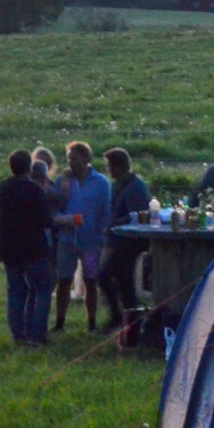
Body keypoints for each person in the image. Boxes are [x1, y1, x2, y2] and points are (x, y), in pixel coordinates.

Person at [0, 149, 54, 346]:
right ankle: (37, 334)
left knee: (16, 290)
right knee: (43, 288)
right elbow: (45, 220)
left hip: (8, 249)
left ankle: (18, 335)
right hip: (33, 249)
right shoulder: (34, 190)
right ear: (29, 167)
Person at [55, 141, 111, 333]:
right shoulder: (62, 180)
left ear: (86, 159)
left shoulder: (101, 183)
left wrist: (99, 233)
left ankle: (92, 323)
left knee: (90, 281)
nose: (71, 163)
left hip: (91, 241)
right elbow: (55, 206)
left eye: (75, 159)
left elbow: (106, 211)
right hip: (66, 240)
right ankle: (60, 322)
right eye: (69, 158)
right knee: (63, 281)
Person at [98, 147, 151, 330]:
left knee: (105, 276)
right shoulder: (118, 184)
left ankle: (119, 316)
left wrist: (114, 224)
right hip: (119, 239)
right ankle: (132, 318)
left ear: (117, 167)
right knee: (123, 280)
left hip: (130, 241)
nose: (108, 170)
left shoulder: (135, 187)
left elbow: (136, 214)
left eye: (109, 166)